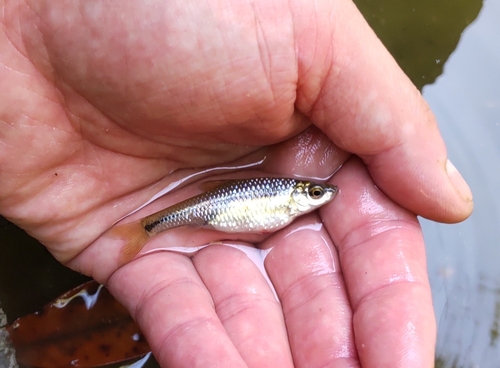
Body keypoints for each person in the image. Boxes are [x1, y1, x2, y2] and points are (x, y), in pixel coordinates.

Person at [0, 0, 473, 367]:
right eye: (313, 192)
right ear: (297, 195)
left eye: (314, 193)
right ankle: (144, 233)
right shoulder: (286, 200)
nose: (321, 195)